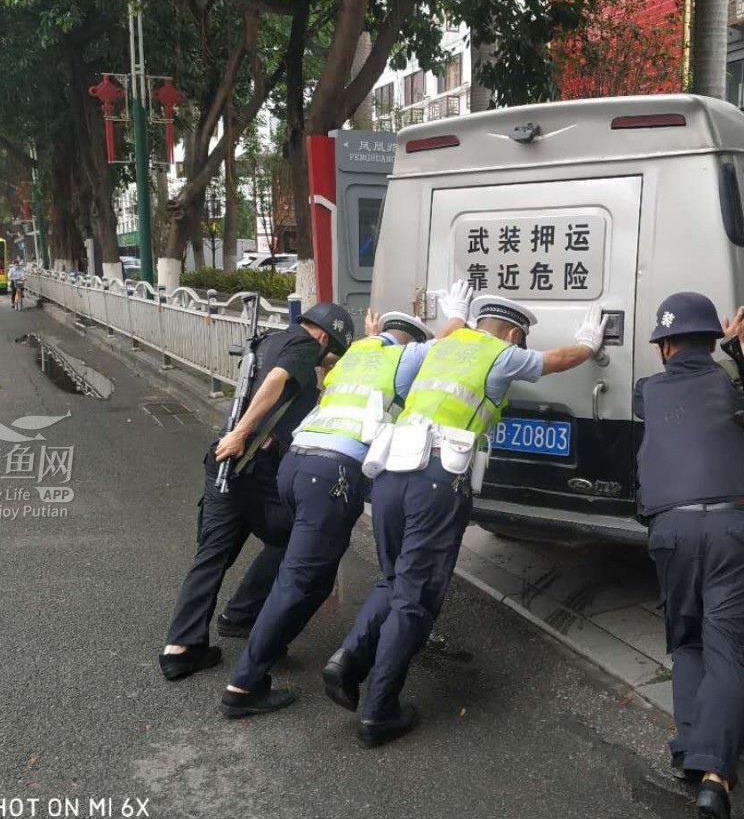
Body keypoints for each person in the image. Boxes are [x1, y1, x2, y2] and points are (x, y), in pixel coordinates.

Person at [327, 294, 608, 747]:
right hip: (435, 480)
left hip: (390, 476)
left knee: (394, 577)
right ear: (514, 333)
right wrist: (589, 344)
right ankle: (379, 712)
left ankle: (347, 661)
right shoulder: (500, 353)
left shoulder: (441, 345)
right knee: (414, 597)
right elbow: (556, 361)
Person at [219, 295, 470, 718]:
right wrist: (458, 313)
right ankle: (243, 685)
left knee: (310, 578)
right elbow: (446, 342)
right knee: (298, 580)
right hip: (330, 475)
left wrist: (374, 336)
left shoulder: (357, 355)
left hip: (297, 466)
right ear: (410, 343)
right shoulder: (404, 359)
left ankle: (268, 644)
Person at [634, 292, 744, 819]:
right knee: (730, 649)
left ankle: (692, 754)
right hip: (736, 527)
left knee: (687, 641)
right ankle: (716, 775)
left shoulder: (646, 391)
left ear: (665, 347)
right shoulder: (735, 379)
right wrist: (739, 342)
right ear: (711, 340)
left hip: (672, 529)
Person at [159, 302, 356, 681]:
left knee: (212, 555)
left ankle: (180, 648)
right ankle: (244, 615)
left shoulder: (268, 340)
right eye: (329, 353)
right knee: (291, 539)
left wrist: (232, 436)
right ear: (322, 336)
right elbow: (275, 382)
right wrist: (243, 433)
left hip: (222, 462)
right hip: (251, 464)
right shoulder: (302, 346)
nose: (324, 363)